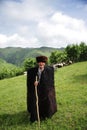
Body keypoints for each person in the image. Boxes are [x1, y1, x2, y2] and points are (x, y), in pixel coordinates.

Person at [27, 55, 57, 122]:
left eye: (43, 62)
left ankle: (47, 113)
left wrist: (42, 83)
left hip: (46, 88)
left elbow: (50, 81)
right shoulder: (32, 71)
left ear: (45, 63)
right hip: (36, 89)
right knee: (34, 99)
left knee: (48, 97)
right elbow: (30, 81)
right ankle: (36, 114)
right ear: (38, 63)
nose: (41, 64)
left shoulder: (50, 70)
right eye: (40, 62)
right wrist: (34, 83)